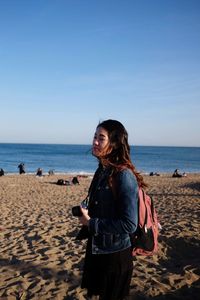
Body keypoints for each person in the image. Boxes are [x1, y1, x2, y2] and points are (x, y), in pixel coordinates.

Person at [77, 119, 147, 300]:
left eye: (101, 138)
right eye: (94, 136)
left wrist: (92, 223)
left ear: (114, 144)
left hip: (115, 256)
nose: (94, 142)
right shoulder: (102, 171)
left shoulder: (124, 176)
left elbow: (129, 224)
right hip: (98, 250)